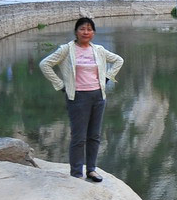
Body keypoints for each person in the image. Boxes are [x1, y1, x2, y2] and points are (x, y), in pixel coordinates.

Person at [38, 17, 124, 182]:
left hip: (98, 96)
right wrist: (60, 84)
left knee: (94, 135)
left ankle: (91, 170)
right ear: (76, 32)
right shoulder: (66, 49)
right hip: (78, 97)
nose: (86, 32)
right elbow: (45, 64)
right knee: (79, 137)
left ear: (93, 33)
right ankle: (77, 173)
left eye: (89, 29)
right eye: (82, 29)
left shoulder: (98, 50)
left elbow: (119, 60)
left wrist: (107, 77)